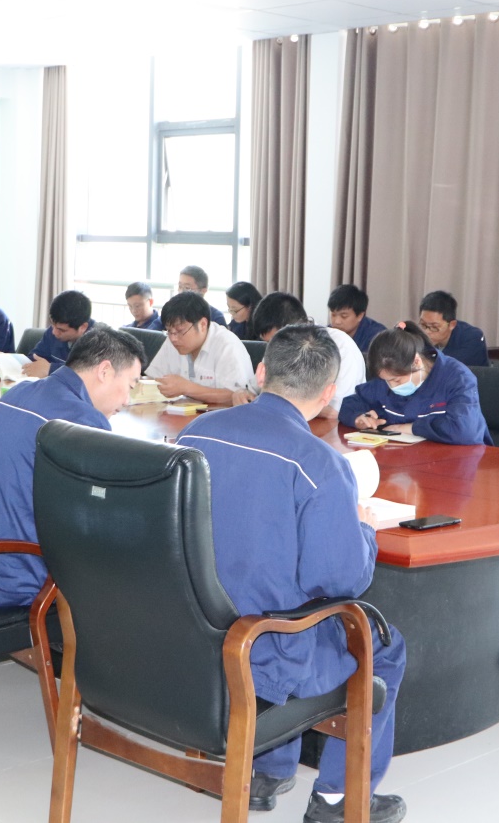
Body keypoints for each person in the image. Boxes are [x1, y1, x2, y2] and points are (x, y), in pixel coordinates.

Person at [177, 325, 407, 823]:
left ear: (261, 373)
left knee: (267, 585)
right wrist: (364, 530)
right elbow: (341, 581)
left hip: (192, 633)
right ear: (329, 393)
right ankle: (338, 799)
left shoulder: (195, 433)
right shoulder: (321, 465)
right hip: (265, 649)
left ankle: (267, 768)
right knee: (382, 646)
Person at [0, 328, 147, 606]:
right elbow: (99, 519)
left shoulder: (18, 392)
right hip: (21, 585)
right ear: (105, 371)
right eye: (130, 385)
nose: (127, 400)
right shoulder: (82, 421)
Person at [340, 322, 491, 445]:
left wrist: (411, 428)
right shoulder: (388, 377)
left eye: (396, 380)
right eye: (386, 380)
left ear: (416, 362)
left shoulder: (457, 377)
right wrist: (358, 418)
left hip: (463, 460)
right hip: (408, 459)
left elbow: (464, 429)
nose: (392, 386)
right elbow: (349, 404)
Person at [232, 291, 363, 418]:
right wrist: (242, 393)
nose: (274, 347)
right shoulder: (278, 344)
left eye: (275, 341)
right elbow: (255, 388)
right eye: (268, 342)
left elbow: (336, 411)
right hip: (281, 421)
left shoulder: (341, 346)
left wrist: (281, 401)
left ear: (296, 327)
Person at [144, 291, 254, 405]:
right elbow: (153, 378)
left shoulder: (227, 345)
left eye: (180, 331)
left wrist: (187, 388)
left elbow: (237, 396)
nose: (173, 338)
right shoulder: (173, 339)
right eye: (169, 331)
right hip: (180, 413)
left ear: (202, 324)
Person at [22, 290, 102, 379]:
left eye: (61, 330)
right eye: (52, 325)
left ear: (82, 327)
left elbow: (88, 373)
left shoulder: (99, 341)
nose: (54, 332)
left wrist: (50, 369)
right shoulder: (53, 332)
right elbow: (35, 357)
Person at [418, 290, 488, 367]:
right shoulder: (418, 336)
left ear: (452, 325)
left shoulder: (473, 337)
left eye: (434, 327)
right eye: (423, 325)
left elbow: (445, 367)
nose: (427, 332)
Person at [328, 284, 386, 353]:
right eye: (333, 315)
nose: (337, 321)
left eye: (344, 316)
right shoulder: (325, 334)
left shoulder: (377, 337)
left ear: (360, 316)